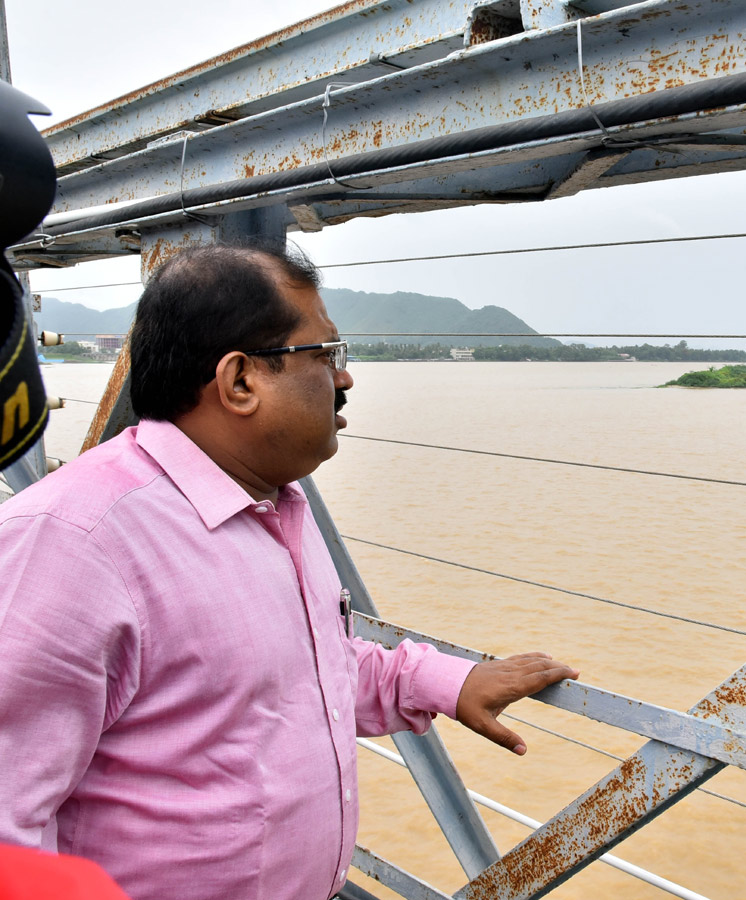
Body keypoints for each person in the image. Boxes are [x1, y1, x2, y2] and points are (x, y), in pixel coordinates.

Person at [0, 242, 579, 900]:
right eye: (326, 354)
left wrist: (450, 681)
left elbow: (304, 672)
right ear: (240, 381)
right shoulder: (76, 540)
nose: (346, 378)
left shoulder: (276, 506)